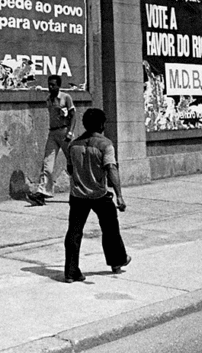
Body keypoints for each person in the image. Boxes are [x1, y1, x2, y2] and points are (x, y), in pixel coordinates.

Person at [62, 108, 131, 283]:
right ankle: (117, 261)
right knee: (110, 229)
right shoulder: (105, 144)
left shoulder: (73, 145)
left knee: (74, 232)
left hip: (78, 195)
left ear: (85, 124)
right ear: (101, 124)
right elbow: (111, 169)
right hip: (99, 194)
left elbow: (70, 169)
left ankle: (71, 272)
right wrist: (119, 196)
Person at [29, 74, 75, 205]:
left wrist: (70, 133)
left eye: (53, 85)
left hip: (65, 132)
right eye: (49, 84)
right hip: (53, 133)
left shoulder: (66, 97)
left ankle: (77, 193)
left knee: (72, 164)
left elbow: (73, 116)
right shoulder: (48, 99)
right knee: (47, 164)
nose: (50, 87)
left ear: (58, 86)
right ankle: (43, 193)